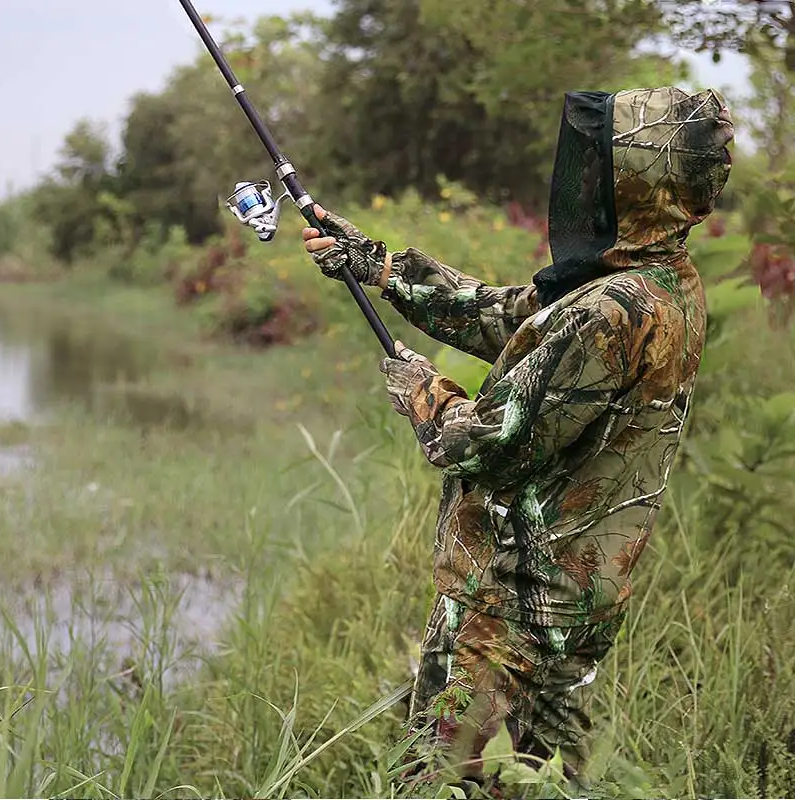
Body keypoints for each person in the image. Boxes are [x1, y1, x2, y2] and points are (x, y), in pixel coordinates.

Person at [301, 86, 734, 786]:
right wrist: (381, 267)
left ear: (639, 184)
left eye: (600, 166)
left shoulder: (614, 310)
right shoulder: (660, 280)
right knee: (547, 777)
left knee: (444, 777)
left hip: (513, 606)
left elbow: (485, 446)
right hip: (573, 601)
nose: (582, 181)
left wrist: (423, 392)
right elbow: (513, 319)